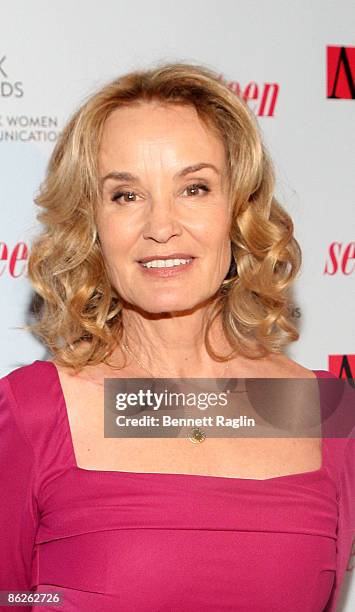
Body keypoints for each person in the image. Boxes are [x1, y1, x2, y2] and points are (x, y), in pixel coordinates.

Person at [0, 61, 354, 611]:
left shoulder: (322, 412)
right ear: (90, 223)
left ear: (238, 209)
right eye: (125, 195)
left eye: (194, 188)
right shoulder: (32, 412)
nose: (161, 226)